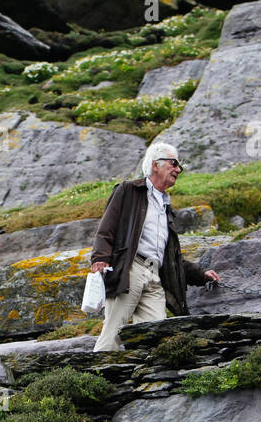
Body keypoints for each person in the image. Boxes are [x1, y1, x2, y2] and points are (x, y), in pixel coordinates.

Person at [88, 141, 221, 352]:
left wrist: (201, 275)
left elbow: (172, 258)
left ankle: (143, 380)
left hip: (155, 275)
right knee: (114, 330)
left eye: (179, 166)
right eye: (174, 163)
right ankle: (97, 379)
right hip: (130, 270)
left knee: (157, 335)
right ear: (155, 164)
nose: (179, 169)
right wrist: (99, 259)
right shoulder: (128, 191)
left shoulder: (166, 207)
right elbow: (106, 229)